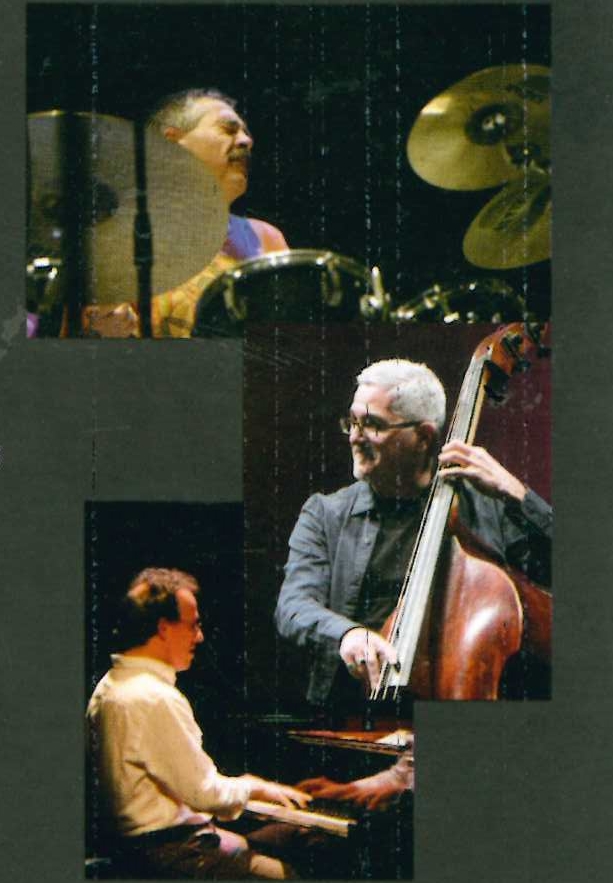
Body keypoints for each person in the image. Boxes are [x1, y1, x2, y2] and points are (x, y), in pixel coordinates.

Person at [274, 357, 552, 806]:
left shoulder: (489, 507)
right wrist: (348, 634)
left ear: (423, 436)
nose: (354, 436)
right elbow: (292, 606)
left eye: (372, 425)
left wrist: (518, 495)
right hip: (355, 726)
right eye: (351, 422)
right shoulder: (325, 513)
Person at [87, 567, 311, 879]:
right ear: (164, 628)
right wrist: (257, 786)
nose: (200, 636)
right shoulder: (153, 697)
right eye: (193, 625)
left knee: (290, 836)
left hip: (147, 848)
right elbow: (204, 794)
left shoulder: (110, 685)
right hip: (175, 853)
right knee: (293, 874)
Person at [147, 88, 288, 337]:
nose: (246, 141)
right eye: (229, 129)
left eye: (245, 132)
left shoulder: (266, 237)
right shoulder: (120, 237)